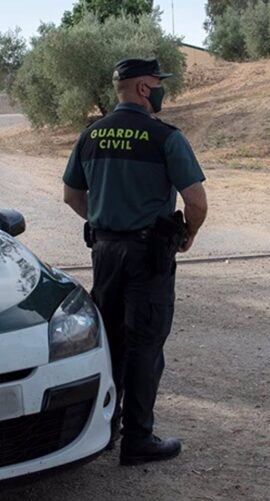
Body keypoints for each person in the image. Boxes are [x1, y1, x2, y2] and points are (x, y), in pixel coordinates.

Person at [62, 58, 209, 466]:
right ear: (144, 88)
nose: (161, 90)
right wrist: (188, 234)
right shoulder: (164, 137)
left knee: (111, 341)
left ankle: (103, 431)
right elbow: (195, 201)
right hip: (149, 257)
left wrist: (106, 219)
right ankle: (138, 439)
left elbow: (72, 197)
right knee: (145, 345)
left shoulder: (90, 136)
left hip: (105, 252)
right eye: (158, 84)